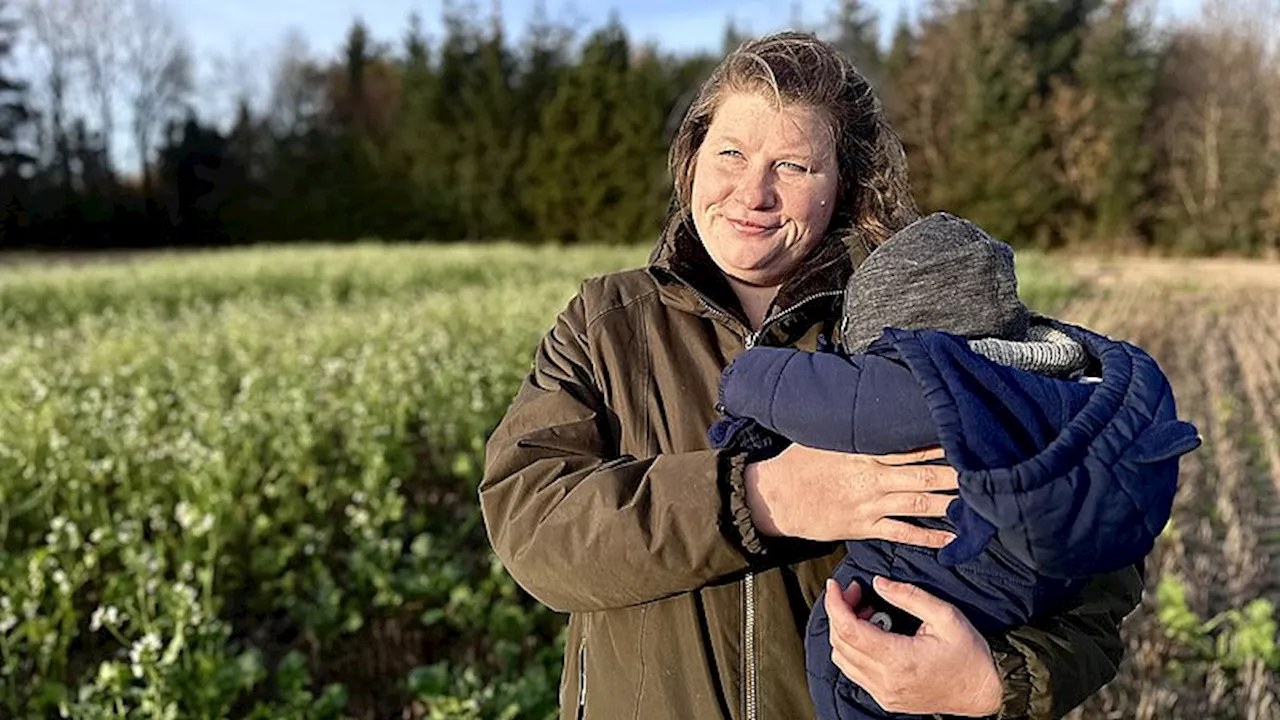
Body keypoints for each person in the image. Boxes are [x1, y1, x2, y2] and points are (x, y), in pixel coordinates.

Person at [480, 31, 1146, 720]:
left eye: (794, 166)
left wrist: (992, 683)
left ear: (848, 186)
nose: (752, 193)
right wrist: (763, 497)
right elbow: (531, 526)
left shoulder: (927, 320)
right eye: (730, 153)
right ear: (692, 162)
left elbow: (1095, 572)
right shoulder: (606, 322)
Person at [709, 211, 1200, 719]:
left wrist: (745, 377)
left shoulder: (936, 391)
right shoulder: (1063, 390)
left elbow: (830, 399)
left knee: (839, 658)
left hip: (926, 579)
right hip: (1019, 596)